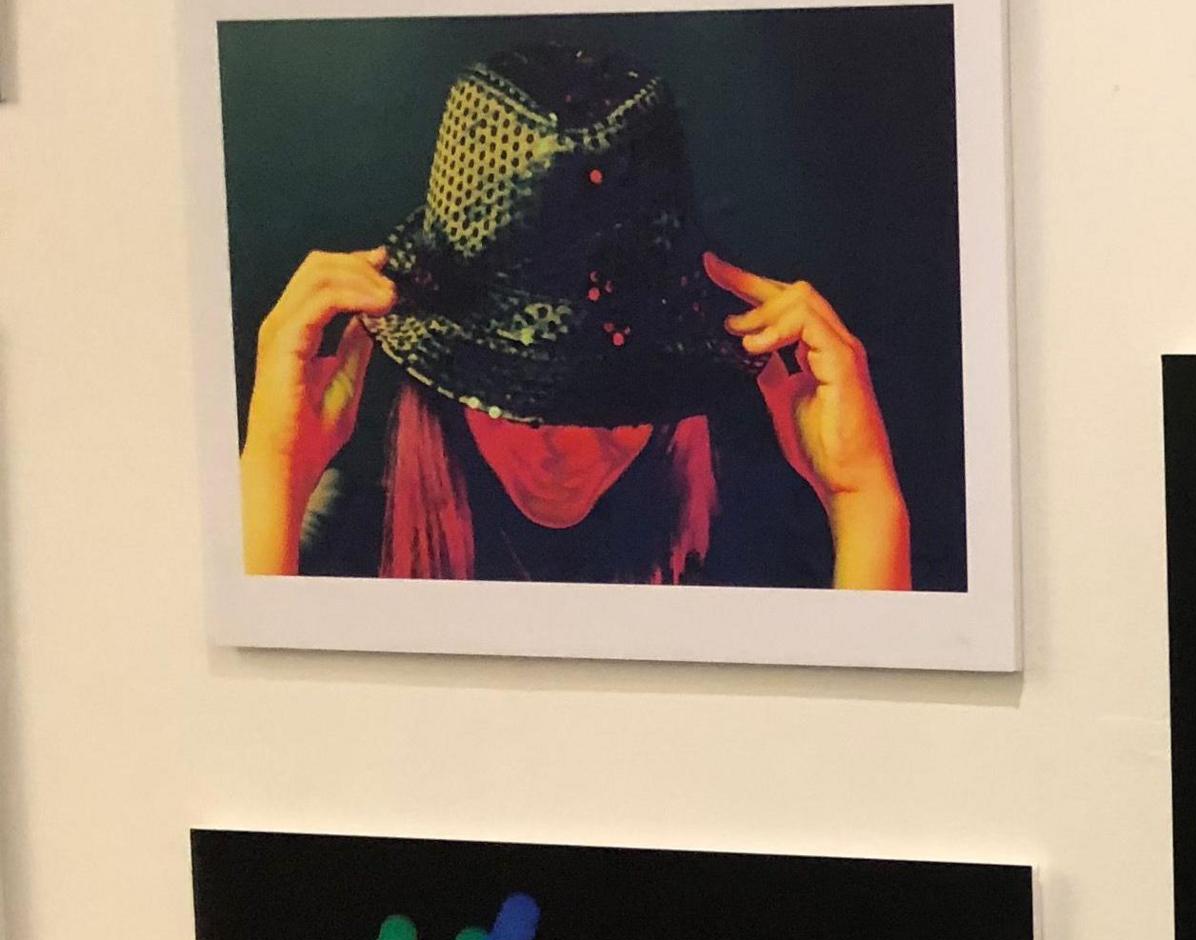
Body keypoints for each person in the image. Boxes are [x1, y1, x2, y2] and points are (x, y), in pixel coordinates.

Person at [238, 45, 909, 590]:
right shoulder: (340, 551)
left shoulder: (770, 549)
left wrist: (861, 500)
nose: (566, 447)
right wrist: (273, 470)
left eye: (613, 402)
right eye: (522, 403)